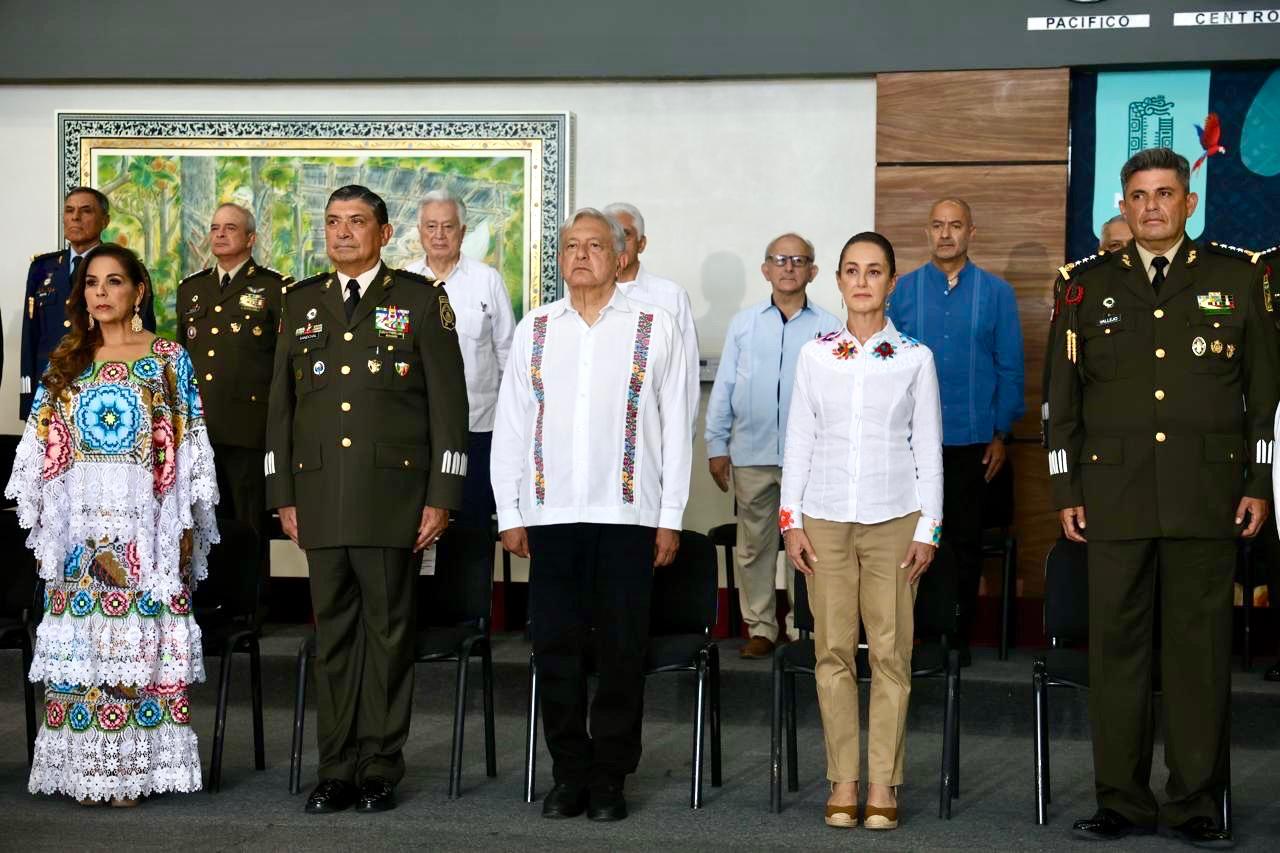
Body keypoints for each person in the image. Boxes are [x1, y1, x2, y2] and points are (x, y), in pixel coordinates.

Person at [1048, 148, 1279, 847]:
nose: (1152, 205)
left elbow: (1264, 396)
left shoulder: (1239, 278)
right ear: (1122, 206)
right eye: (1139, 195)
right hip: (1111, 498)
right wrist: (1065, 484)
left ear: (1189, 203)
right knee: (1116, 652)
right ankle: (1120, 798)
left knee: (1197, 655)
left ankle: (1196, 802)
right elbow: (1062, 400)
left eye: (1166, 193)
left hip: (1205, 496)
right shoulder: (1082, 287)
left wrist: (1257, 481)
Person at [265, 185, 469, 815]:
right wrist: (283, 494)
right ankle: (336, 768)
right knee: (334, 639)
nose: (343, 233)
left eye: (357, 223)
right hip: (321, 497)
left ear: (384, 233)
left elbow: (448, 408)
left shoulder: (417, 300)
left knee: (386, 635)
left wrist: (443, 494)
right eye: (333, 223)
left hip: (392, 499)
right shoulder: (300, 303)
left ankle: (380, 765)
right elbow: (282, 409)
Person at [491, 208, 691, 822]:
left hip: (628, 516)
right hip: (552, 517)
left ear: (621, 254)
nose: (581, 255)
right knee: (554, 649)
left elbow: (678, 424)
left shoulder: (654, 326)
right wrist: (509, 510)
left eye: (595, 245)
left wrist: (671, 516)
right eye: (571, 246)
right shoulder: (537, 327)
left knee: (622, 653)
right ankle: (568, 773)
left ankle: (610, 777)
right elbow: (513, 424)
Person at [5, 243, 218, 805]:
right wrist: (47, 524)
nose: (101, 293)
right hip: (81, 529)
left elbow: (188, 446)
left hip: (144, 527)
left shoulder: (168, 359)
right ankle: (85, 770)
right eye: (93, 284)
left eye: (114, 282)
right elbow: (42, 445)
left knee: (136, 648)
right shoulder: (67, 359)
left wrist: (184, 525)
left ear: (137, 291)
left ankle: (130, 774)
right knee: (86, 648)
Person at [781, 232, 942, 831]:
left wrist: (929, 528)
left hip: (895, 519)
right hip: (824, 520)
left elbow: (927, 446)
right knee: (833, 653)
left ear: (891, 283)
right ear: (840, 280)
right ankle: (843, 779)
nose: (861, 280)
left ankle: (884, 782)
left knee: (893, 654)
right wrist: (791, 521)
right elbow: (799, 439)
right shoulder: (815, 354)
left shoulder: (915, 358)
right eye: (851, 270)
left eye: (874, 271)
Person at [887, 197, 1024, 663]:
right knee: (911, 538)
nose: (946, 234)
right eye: (937, 226)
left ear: (971, 232)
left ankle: (956, 637)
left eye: (956, 226)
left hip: (972, 443)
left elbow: (1010, 367)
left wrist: (1001, 434)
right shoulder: (901, 292)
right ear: (927, 232)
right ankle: (915, 633)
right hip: (908, 444)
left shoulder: (997, 293)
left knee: (962, 542)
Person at [705, 232, 841, 658]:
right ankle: (761, 628)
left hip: (810, 459)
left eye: (798, 261)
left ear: (813, 272)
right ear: (765, 269)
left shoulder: (829, 327)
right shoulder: (744, 324)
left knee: (808, 547)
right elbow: (725, 384)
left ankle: (803, 629)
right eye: (779, 260)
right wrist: (716, 444)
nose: (788, 267)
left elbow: (836, 394)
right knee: (754, 546)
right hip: (751, 453)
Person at [404, 188, 516, 530]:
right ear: (420, 231)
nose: (439, 235)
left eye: (448, 227)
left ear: (463, 232)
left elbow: (508, 357)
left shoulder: (488, 281)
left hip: (477, 430)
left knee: (471, 534)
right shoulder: (402, 283)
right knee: (416, 533)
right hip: (418, 433)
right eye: (431, 226)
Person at [177, 203, 291, 540]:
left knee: (249, 527)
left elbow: (284, 364)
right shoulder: (192, 289)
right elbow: (183, 359)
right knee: (204, 528)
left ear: (251, 238)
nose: (220, 234)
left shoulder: (275, 289)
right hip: (201, 429)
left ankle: (253, 595)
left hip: (249, 431)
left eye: (230, 228)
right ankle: (213, 595)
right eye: (215, 228)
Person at [20, 187, 157, 420]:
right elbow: (31, 336)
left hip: (105, 387)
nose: (75, 217)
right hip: (52, 387)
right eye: (69, 210)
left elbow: (141, 328)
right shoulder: (42, 268)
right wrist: (28, 399)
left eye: (86, 211)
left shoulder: (127, 268)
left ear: (105, 221)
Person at [603, 202, 701, 427]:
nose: (617, 244)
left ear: (642, 243)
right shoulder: (583, 296)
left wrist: (680, 440)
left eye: (625, 235)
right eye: (610, 235)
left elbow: (687, 377)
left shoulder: (670, 297)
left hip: (653, 434)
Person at [1042, 214, 1136, 448]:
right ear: (1099, 250)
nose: (1123, 253)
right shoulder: (1077, 294)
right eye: (1114, 245)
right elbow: (1060, 379)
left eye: (1132, 245)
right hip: (1100, 443)